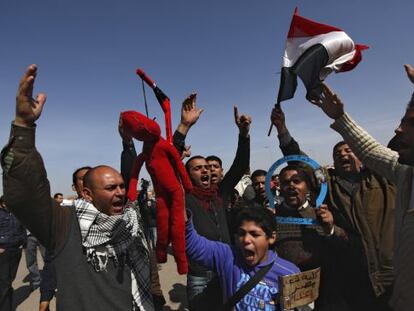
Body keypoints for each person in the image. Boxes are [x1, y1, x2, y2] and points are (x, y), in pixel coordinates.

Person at [1, 64, 153, 310]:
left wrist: (128, 143)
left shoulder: (129, 221)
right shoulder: (64, 223)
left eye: (122, 187)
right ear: (87, 193)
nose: (121, 193)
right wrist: (23, 127)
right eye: (111, 188)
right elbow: (24, 194)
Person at [307, 66, 414, 311]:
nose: (398, 130)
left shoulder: (383, 180)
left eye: (410, 122)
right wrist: (340, 118)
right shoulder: (406, 175)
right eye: (400, 122)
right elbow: (371, 150)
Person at [271, 104, 396, 311]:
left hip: (391, 272)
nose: (342, 154)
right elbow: (302, 163)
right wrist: (282, 130)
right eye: (337, 152)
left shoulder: (383, 178)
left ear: (360, 154)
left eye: (348, 150)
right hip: (353, 271)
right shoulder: (328, 183)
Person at [185, 205, 300, 310]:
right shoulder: (228, 256)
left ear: (271, 237)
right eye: (241, 233)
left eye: (254, 234)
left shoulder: (290, 273)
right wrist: (179, 205)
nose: (246, 240)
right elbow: (193, 244)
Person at [274, 165, 349, 310]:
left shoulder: (323, 214)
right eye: (285, 182)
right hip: (286, 294)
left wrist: (330, 228)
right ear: (280, 188)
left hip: (324, 293)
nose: (291, 186)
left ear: (307, 187)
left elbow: (345, 246)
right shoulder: (272, 217)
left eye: (296, 181)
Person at [0, 195, 27, 311]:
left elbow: (22, 229)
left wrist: (23, 243)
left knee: (10, 279)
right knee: (5, 281)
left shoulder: (17, 213)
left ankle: (7, 304)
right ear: (2, 203)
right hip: (3, 250)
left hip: (16, 249)